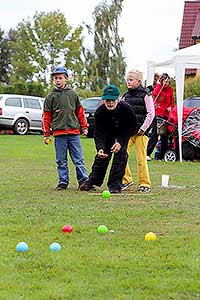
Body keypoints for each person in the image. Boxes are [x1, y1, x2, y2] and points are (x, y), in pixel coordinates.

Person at [79, 84, 137, 194]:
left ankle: (115, 185)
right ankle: (93, 181)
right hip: (107, 135)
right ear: (103, 100)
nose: (110, 103)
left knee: (120, 157)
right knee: (101, 157)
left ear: (118, 99)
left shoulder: (127, 109)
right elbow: (98, 133)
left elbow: (131, 127)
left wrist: (120, 142)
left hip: (123, 133)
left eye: (113, 100)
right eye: (107, 100)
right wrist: (100, 148)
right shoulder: (100, 112)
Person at [42, 66, 89, 191]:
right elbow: (46, 116)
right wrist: (46, 133)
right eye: (55, 78)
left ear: (66, 79)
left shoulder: (73, 94)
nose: (57, 80)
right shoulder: (50, 97)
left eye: (60, 78)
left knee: (78, 159)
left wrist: (84, 126)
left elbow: (80, 112)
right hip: (59, 134)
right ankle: (63, 182)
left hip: (74, 133)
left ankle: (83, 181)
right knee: (61, 160)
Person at [121, 69, 155, 193]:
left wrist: (143, 128)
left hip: (141, 133)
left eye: (131, 80)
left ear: (139, 81)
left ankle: (144, 183)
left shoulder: (146, 95)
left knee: (141, 158)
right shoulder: (125, 96)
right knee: (122, 155)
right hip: (128, 132)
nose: (128, 82)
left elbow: (151, 114)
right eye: (127, 80)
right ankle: (126, 179)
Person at [147, 73, 175, 160]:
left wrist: (171, 107)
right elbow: (154, 94)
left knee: (164, 136)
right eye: (165, 81)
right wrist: (159, 85)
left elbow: (172, 102)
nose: (166, 83)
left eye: (168, 82)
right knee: (155, 135)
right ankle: (147, 153)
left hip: (166, 115)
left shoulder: (170, 90)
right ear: (161, 81)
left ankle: (162, 156)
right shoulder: (158, 88)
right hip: (157, 114)